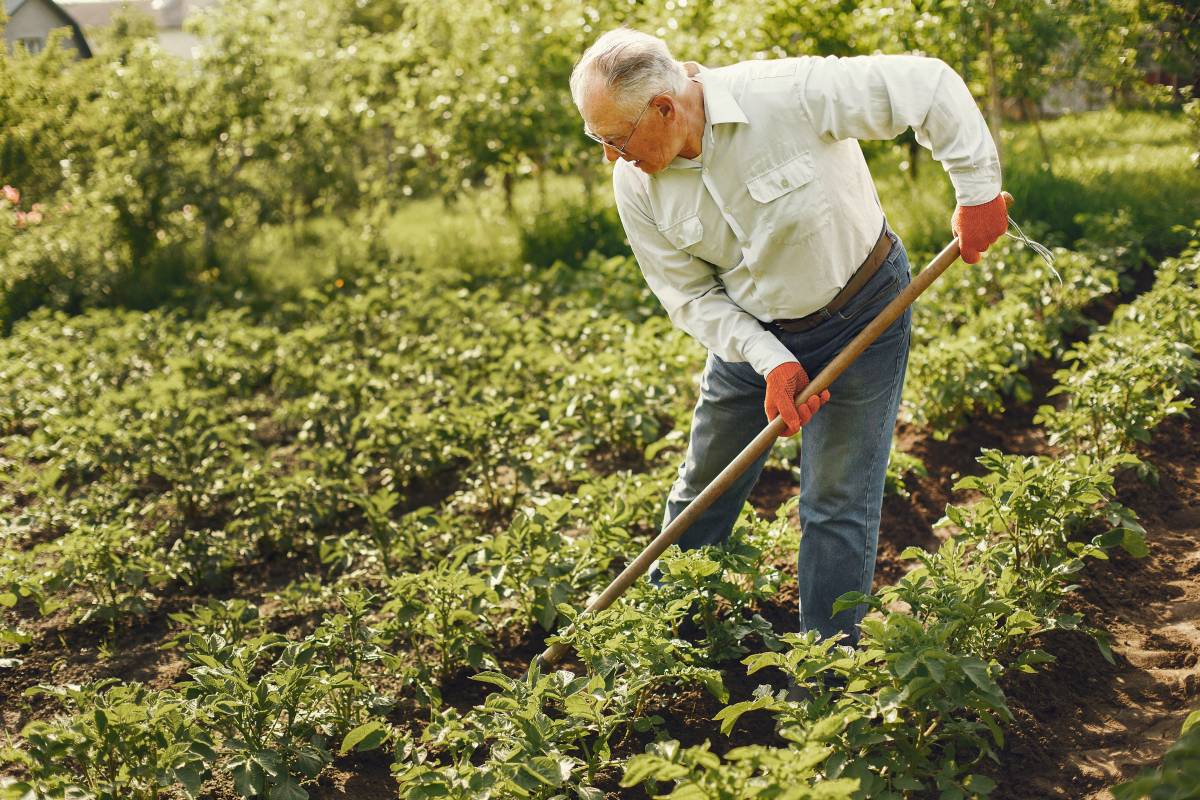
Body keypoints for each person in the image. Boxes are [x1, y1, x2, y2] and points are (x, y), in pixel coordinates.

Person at [568, 28, 1008, 646]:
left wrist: (977, 192)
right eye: (599, 140)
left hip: (861, 312)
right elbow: (689, 296)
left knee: (834, 502)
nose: (611, 157)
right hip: (749, 340)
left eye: (615, 139)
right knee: (702, 492)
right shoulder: (636, 184)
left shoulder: (785, 95)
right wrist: (770, 360)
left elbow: (926, 85)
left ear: (665, 108)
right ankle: (666, 645)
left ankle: (824, 667)